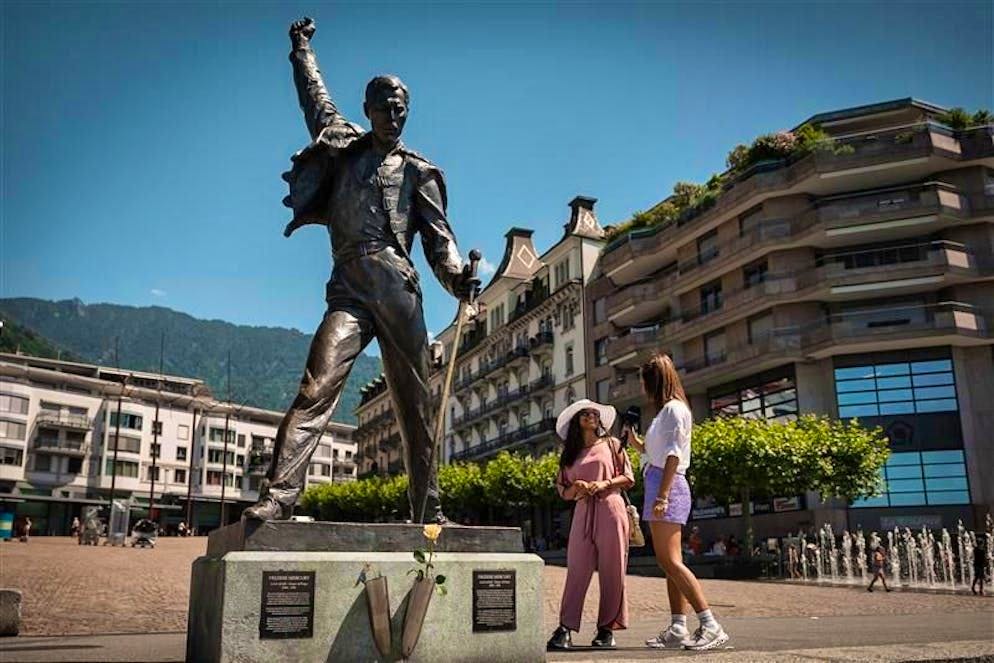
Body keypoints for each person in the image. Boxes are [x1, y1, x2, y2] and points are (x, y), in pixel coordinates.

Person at [242, 17, 478, 524]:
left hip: (398, 288)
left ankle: (429, 509)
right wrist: (300, 50)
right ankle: (279, 496)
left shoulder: (420, 171)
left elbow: (441, 241)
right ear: (367, 110)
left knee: (416, 407)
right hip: (347, 286)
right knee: (316, 386)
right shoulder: (343, 144)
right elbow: (314, 96)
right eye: (384, 108)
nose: (393, 116)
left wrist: (458, 278)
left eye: (401, 109)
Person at [624, 353, 729, 651]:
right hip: (660, 481)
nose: (642, 388)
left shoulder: (672, 410)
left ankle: (710, 625)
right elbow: (656, 451)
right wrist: (634, 441)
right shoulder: (665, 413)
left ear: (654, 381)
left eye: (644, 382)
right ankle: (678, 627)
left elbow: (673, 455)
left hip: (666, 485)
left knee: (670, 561)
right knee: (669, 563)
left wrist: (662, 495)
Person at [546, 399, 634, 651]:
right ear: (577, 421)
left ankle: (607, 629)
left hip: (611, 508)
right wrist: (577, 487)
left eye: (594, 413)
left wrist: (604, 484)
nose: (590, 416)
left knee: (613, 569)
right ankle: (565, 627)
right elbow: (562, 489)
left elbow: (628, 477)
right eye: (584, 413)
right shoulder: (569, 455)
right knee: (577, 569)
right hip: (583, 511)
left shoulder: (612, 445)